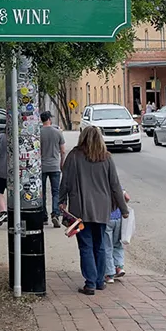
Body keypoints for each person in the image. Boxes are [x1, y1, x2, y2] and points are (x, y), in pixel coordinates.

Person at [59, 126, 128, 296]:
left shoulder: (74, 155)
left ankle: (90, 283)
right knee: (100, 245)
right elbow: (115, 185)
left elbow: (65, 180)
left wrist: (61, 201)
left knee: (86, 246)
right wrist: (123, 209)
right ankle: (99, 281)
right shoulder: (106, 157)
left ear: (82, 137)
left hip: (80, 209)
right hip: (102, 208)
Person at [39, 111, 67, 227]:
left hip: (42, 166)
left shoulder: (38, 133)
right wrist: (62, 163)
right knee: (56, 192)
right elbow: (63, 151)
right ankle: (55, 214)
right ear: (49, 119)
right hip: (55, 165)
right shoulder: (57, 132)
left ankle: (43, 216)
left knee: (42, 193)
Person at [102, 187, 131, 283]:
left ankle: (109, 274)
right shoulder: (117, 185)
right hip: (118, 218)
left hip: (106, 218)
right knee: (117, 244)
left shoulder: (102, 185)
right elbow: (127, 197)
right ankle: (119, 267)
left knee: (107, 247)